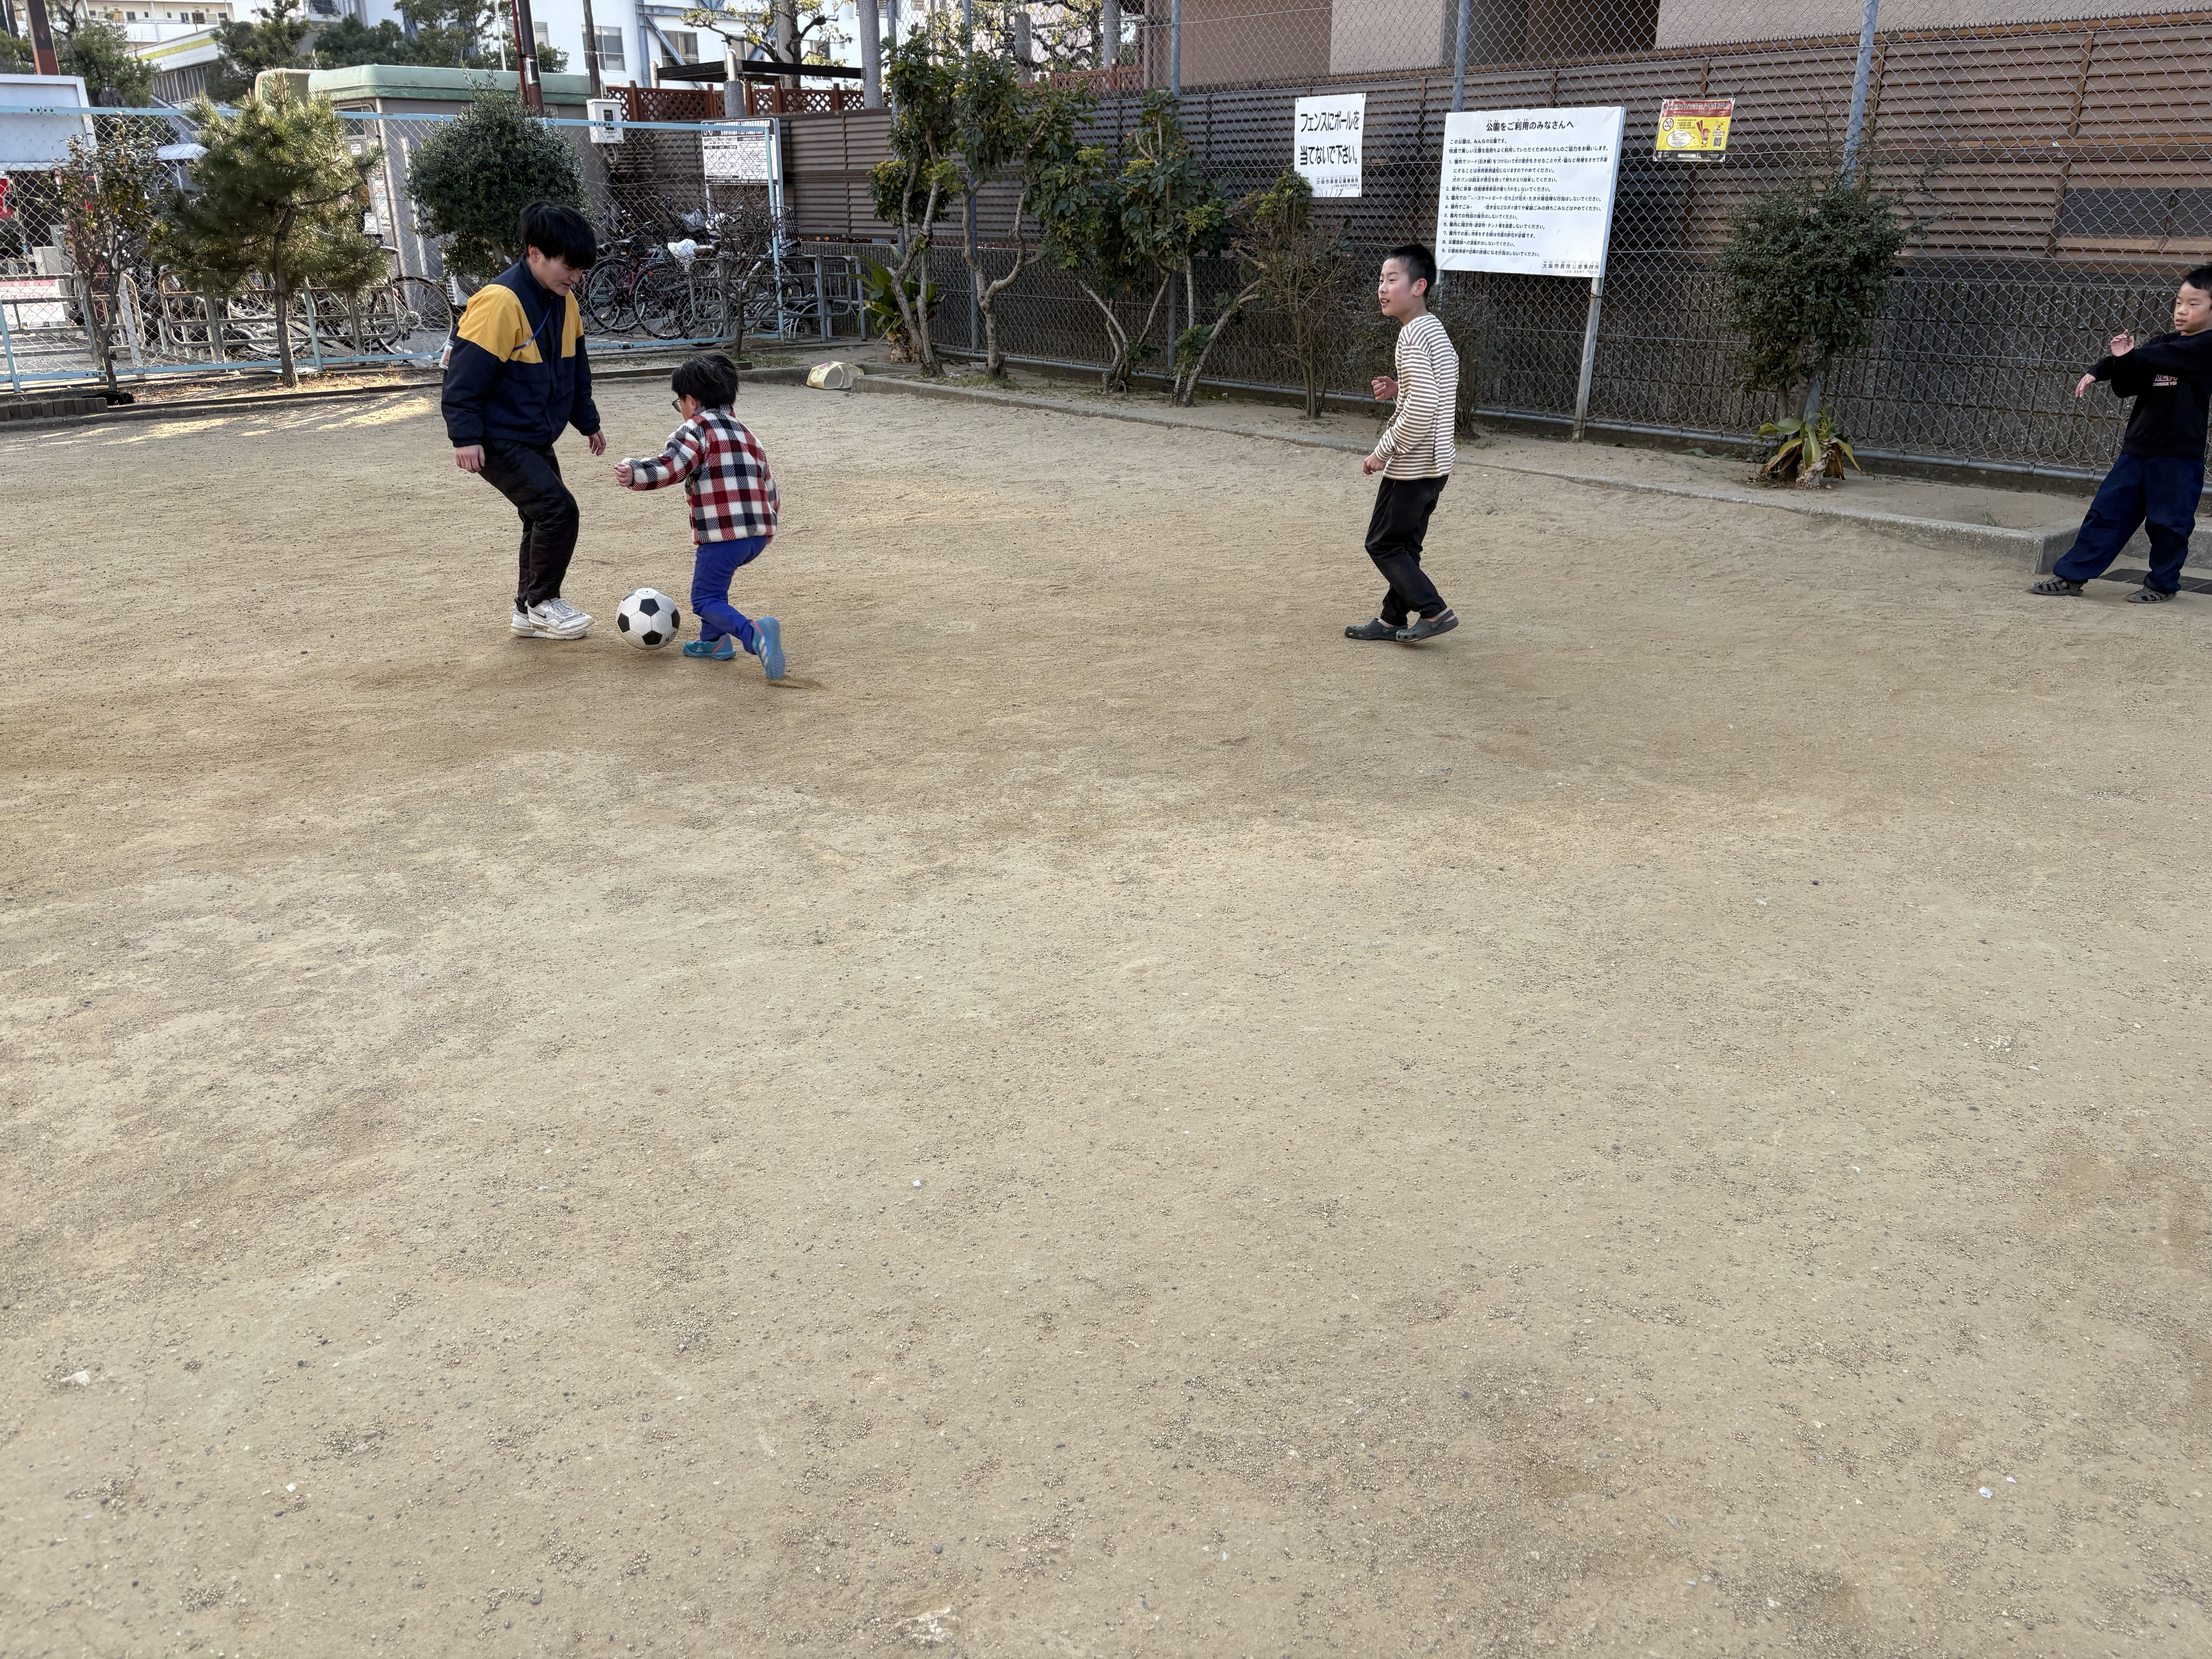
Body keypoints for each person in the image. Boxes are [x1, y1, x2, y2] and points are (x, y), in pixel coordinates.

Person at [442, 200, 607, 640]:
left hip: (533, 433)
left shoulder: (563, 300)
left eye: (581, 270)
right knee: (558, 510)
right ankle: (542, 603)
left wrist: (587, 421)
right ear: (535, 253)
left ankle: (526, 609)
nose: (575, 277)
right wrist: (466, 437)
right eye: (568, 267)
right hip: (498, 436)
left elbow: (576, 368)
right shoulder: (500, 301)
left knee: (539, 516)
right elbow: (463, 378)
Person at [2032, 265, 2212, 603]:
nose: (2181, 311)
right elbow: (2129, 384)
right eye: (2179, 302)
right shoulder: (2161, 343)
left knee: (2169, 523)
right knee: (2107, 512)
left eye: (2194, 304)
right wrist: (2111, 366)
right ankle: (2072, 577)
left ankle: (2161, 585)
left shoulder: (2205, 347)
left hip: (2178, 455)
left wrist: (2110, 363)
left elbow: (2159, 357)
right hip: (2138, 448)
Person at [615, 353, 785, 680]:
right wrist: (766, 523)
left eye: (678, 402)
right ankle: (713, 642)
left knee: (705, 598)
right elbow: (769, 484)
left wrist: (634, 473)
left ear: (690, 401)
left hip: (724, 535)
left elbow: (673, 466)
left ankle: (754, 635)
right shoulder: (747, 434)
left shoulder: (696, 429)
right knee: (715, 587)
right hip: (759, 533)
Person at [1346, 243, 1461, 644]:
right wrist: (1402, 388)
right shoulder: (1433, 328)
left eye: (1392, 279)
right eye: (1381, 280)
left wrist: (1383, 451)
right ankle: (1392, 618)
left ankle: (1434, 610)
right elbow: (1438, 389)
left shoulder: (1412, 336)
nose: (1382, 288)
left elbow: (1425, 405)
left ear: (1419, 286)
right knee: (1405, 546)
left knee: (1382, 543)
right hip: (1438, 464)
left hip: (1413, 465)